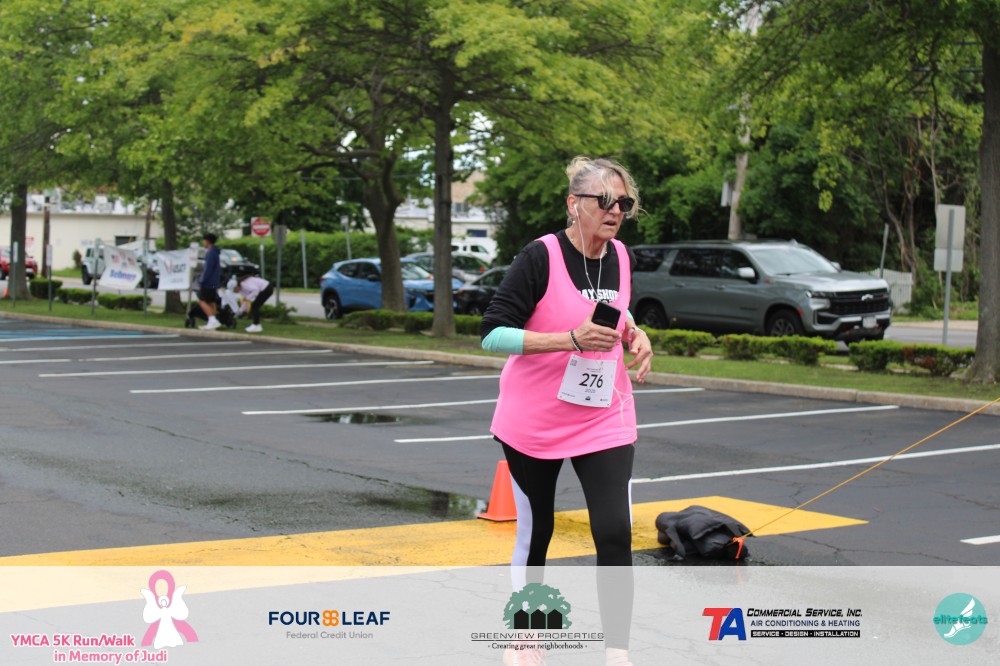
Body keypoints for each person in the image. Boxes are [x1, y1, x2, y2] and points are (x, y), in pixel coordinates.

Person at [481, 156, 653, 666]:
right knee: (538, 532)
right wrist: (568, 339)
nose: (616, 210)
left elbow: (614, 309)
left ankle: (617, 653)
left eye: (624, 202)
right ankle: (526, 635)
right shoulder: (540, 256)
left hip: (603, 414)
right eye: (605, 200)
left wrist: (636, 333)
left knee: (615, 531)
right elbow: (492, 333)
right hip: (535, 419)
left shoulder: (620, 255)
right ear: (573, 204)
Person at [197, 232, 223, 330]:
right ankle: (212, 322)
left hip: (208, 282)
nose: (203, 243)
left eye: (204, 241)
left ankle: (212, 320)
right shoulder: (216, 252)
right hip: (214, 282)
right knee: (211, 302)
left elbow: (208, 268)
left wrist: (202, 280)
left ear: (207, 241)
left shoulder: (211, 252)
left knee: (202, 301)